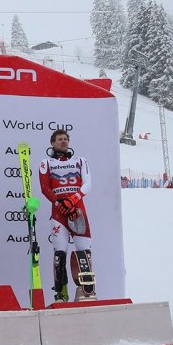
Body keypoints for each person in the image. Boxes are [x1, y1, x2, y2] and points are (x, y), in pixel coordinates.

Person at [39, 129, 96, 303]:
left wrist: (73, 200)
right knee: (60, 253)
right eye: (59, 139)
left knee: (84, 251)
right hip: (59, 214)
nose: (63, 142)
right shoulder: (45, 163)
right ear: (53, 143)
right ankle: (60, 294)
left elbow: (88, 184)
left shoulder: (80, 161)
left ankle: (87, 291)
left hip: (77, 210)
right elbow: (45, 188)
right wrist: (59, 203)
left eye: (65, 139)